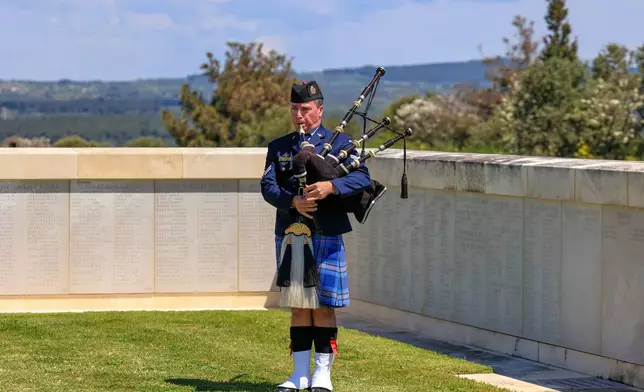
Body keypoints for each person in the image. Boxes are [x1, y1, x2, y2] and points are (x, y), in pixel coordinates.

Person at [260, 80, 372, 392]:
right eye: (294, 109)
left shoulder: (339, 143)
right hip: (292, 233)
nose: (299, 115)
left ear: (319, 110)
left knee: (324, 306)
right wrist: (291, 200)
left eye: (306, 109)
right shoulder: (280, 147)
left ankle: (323, 376)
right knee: (299, 305)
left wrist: (331, 187)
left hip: (327, 233)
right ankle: (299, 376)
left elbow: (363, 177)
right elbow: (267, 186)